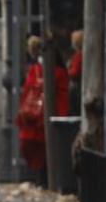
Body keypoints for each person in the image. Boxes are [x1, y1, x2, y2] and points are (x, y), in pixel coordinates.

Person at [18, 35, 71, 183]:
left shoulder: (38, 71)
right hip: (43, 118)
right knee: (46, 150)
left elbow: (27, 92)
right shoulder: (56, 72)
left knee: (38, 150)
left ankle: (40, 178)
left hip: (36, 119)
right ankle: (43, 179)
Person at [67, 29, 83, 117]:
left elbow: (75, 72)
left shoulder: (79, 56)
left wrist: (67, 72)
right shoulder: (80, 55)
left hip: (76, 87)